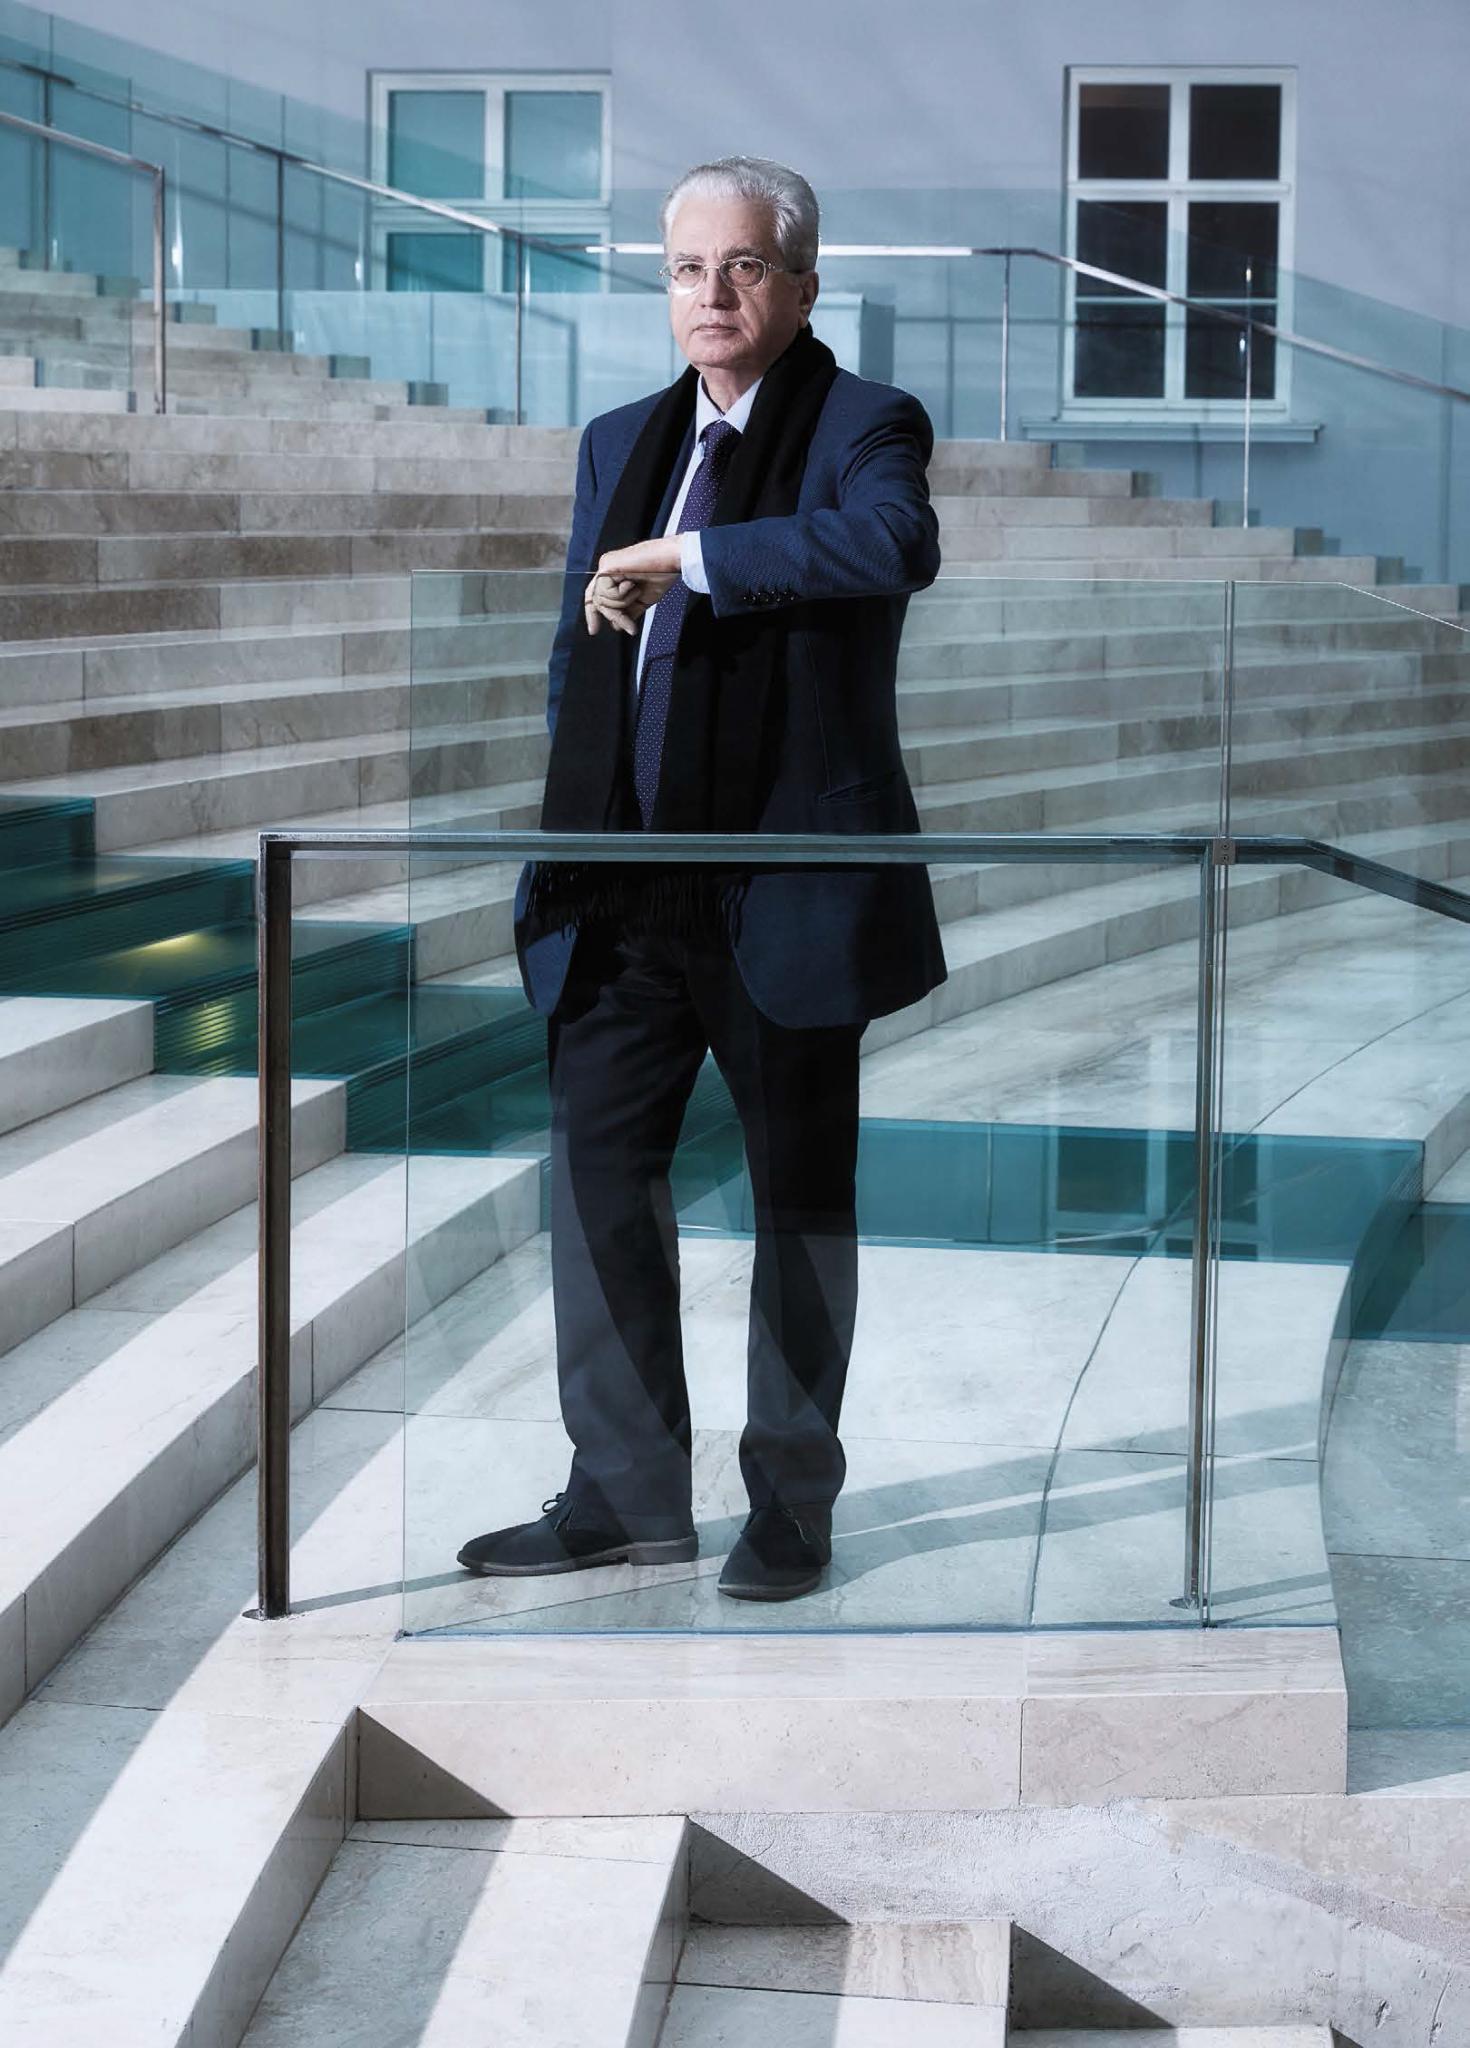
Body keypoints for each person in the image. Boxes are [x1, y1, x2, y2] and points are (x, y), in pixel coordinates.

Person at [457, 154, 946, 1602]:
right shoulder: (619, 438)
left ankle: (789, 1504)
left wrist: (696, 556)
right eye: (685, 268)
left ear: (800, 284)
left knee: (798, 1201)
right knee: (597, 1185)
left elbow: (895, 543)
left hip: (780, 890)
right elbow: (581, 650)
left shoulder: (866, 422)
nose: (710, 294)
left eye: (742, 266)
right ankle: (623, 1493)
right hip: (623, 887)